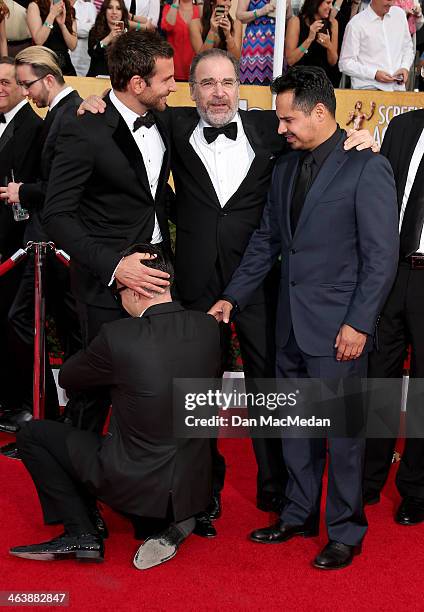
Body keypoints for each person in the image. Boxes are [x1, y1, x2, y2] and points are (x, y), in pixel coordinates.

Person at [79, 48, 377, 533]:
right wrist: (91, 101)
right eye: (206, 83)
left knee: (273, 393)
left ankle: (279, 491)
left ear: (241, 86)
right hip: (195, 289)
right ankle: (202, 492)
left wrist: (360, 138)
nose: (218, 92)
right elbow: (122, 110)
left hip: (260, 287)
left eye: (227, 82)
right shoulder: (171, 125)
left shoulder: (271, 129)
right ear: (189, 90)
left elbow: (322, 139)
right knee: (197, 398)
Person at [209, 65, 399, 569]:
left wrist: (359, 324)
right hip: (289, 322)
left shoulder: (366, 166)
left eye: (289, 119)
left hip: (340, 329)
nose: (281, 129)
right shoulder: (286, 166)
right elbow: (268, 239)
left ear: (319, 112)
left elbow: (381, 256)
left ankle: (345, 531)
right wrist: (234, 295)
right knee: (294, 426)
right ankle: (297, 514)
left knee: (343, 435)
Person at [9, 243, 221, 569]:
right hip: (190, 491)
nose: (118, 299)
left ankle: (80, 532)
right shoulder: (208, 328)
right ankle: (182, 521)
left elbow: (69, 377)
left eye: (118, 290)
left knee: (32, 434)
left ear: (135, 290)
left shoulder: (118, 336)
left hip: (135, 488)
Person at [43, 30, 176, 434]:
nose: (175, 86)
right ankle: (78, 486)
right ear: (138, 83)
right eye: (168, 79)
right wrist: (116, 267)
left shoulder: (164, 117)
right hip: (105, 284)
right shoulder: (84, 129)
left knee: (154, 387)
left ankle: (135, 476)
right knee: (96, 392)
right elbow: (57, 215)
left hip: (158, 275)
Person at [0, 47, 82, 442]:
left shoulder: (69, 115)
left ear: (48, 79)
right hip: (49, 238)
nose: (24, 92)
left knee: (28, 320)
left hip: (50, 239)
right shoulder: (64, 113)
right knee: (64, 327)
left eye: (26, 84)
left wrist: (22, 191)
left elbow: (60, 187)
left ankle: (45, 417)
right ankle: (54, 419)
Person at [363, 109, 424, 526]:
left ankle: (416, 488)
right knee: (376, 377)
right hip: (394, 270)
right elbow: (380, 197)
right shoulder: (404, 127)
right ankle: (366, 478)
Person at [0, 56, 43, 423]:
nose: (0, 87)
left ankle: (25, 405)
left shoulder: (35, 127)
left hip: (18, 247)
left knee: (18, 327)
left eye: (6, 81)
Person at [339, 0, 414, 90]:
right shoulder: (356, 24)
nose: (391, 3)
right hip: (369, 91)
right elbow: (345, 63)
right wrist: (374, 74)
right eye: (388, 0)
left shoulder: (399, 15)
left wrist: (405, 67)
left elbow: (408, 47)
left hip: (397, 91)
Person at [285, 0, 340, 87]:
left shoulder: (333, 23)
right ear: (316, 2)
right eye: (328, 3)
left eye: (332, 3)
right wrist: (309, 39)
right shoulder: (296, 21)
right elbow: (290, 60)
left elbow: (333, 62)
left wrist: (329, 45)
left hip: (322, 82)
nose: (331, 7)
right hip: (299, 81)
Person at [26, 0, 77, 75]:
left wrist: (62, 25)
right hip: (43, 62)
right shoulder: (35, 6)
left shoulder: (68, 8)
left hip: (64, 65)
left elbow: (72, 46)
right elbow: (39, 40)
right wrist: (52, 15)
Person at [237, 0, 276, 85]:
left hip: (276, 44)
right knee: (251, 82)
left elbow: (289, 16)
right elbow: (239, 15)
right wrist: (260, 12)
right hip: (254, 46)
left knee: (276, 82)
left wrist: (286, 6)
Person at [161, 0, 202, 81]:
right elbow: (168, 26)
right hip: (174, 67)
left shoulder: (199, 9)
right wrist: (175, 3)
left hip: (196, 67)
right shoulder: (168, 8)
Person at [86, 0, 129, 77]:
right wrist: (109, 37)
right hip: (97, 78)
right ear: (104, 11)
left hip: (120, 80)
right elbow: (93, 53)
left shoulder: (128, 34)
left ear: (122, 12)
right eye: (110, 8)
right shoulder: (95, 31)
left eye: (118, 8)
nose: (114, 12)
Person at [69, 0, 97, 76]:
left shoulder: (89, 7)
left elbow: (93, 30)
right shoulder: (59, 6)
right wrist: (84, 25)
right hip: (66, 60)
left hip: (84, 61)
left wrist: (69, 27)